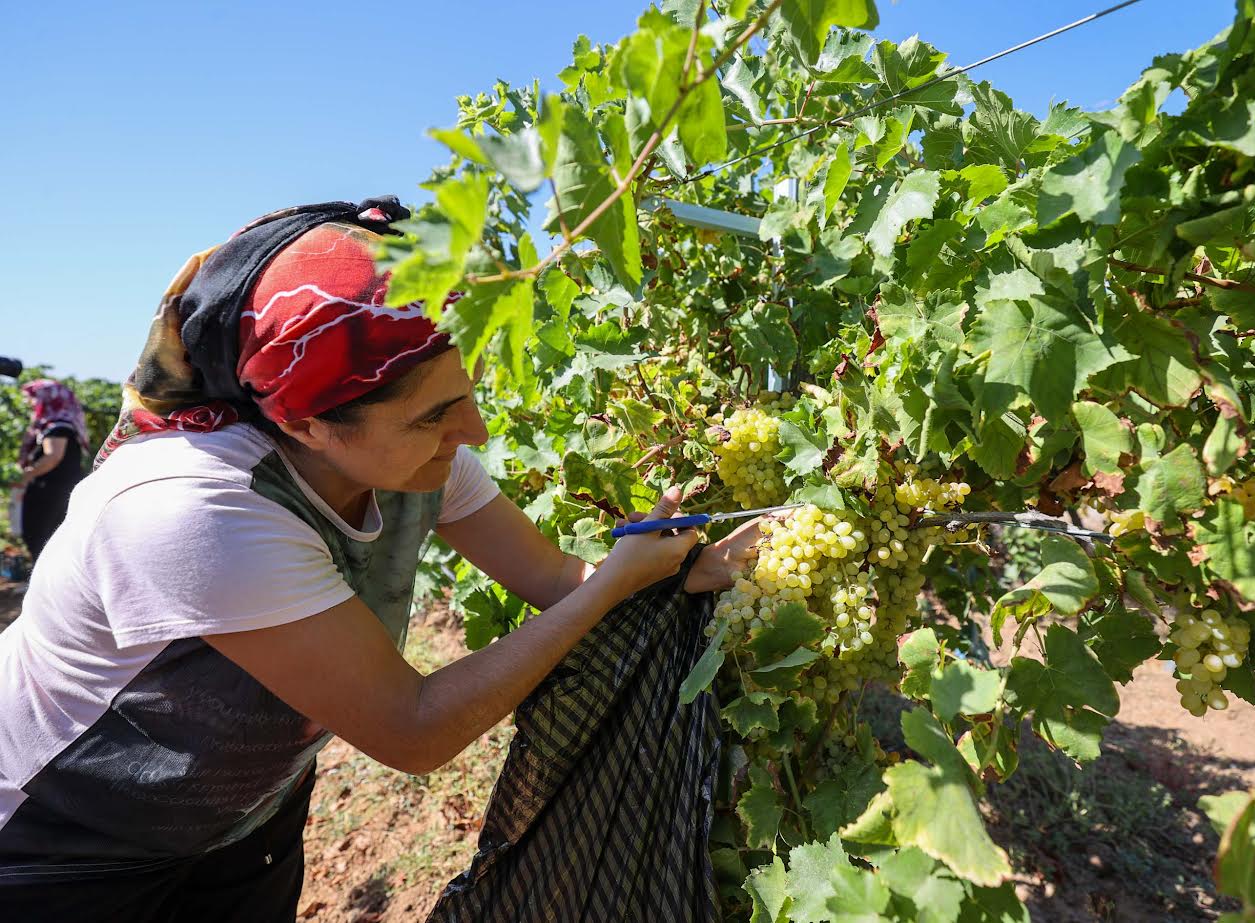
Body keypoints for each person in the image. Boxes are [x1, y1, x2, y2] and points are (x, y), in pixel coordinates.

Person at [0, 197, 763, 922]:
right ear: (305, 422)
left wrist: (672, 572)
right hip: (60, 841)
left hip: (234, 820)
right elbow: (413, 728)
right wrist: (609, 594)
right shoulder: (199, 510)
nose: (475, 430)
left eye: (465, 393)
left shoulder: (419, 461)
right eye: (434, 413)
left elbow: (552, 578)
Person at [12, 379, 89, 559]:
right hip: (59, 491)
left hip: (49, 493)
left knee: (39, 535)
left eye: (33, 398)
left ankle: (46, 584)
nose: (30, 403)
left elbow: (52, 457)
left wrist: (26, 475)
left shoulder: (58, 426)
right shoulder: (61, 424)